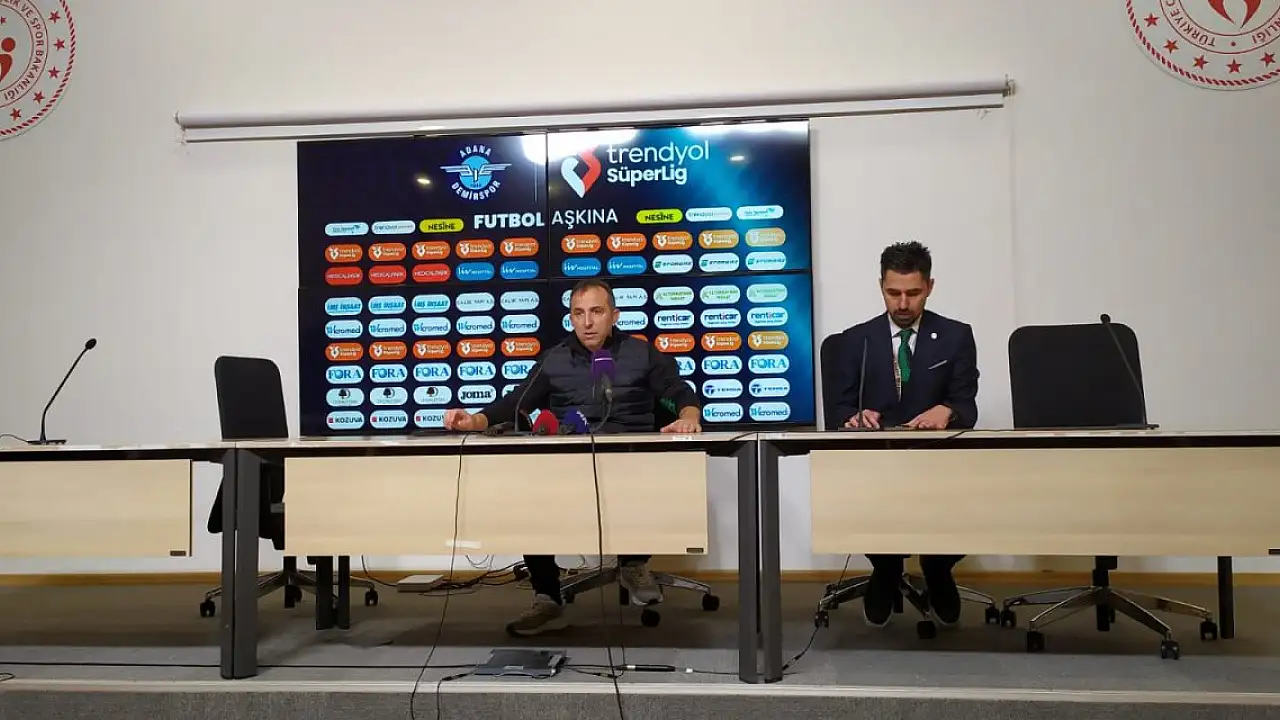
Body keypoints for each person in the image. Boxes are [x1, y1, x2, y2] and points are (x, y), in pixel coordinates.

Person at [443, 278, 703, 636]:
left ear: (614, 315)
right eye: (578, 314)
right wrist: (474, 420)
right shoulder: (555, 359)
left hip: (631, 463)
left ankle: (634, 563)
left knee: (645, 479)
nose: (588, 322)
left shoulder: (641, 354)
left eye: (596, 312)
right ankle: (547, 599)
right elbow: (516, 404)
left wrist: (688, 416)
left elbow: (677, 392)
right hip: (569, 465)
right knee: (529, 496)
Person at [825, 241, 979, 628]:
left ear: (929, 287)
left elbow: (967, 404)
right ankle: (887, 567)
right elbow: (838, 409)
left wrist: (947, 410)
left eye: (913, 293)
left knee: (975, 490)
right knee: (856, 488)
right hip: (878, 461)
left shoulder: (956, 336)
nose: (903, 304)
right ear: (881, 287)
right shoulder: (856, 340)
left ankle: (938, 567)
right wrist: (854, 417)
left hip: (936, 460)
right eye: (893, 293)